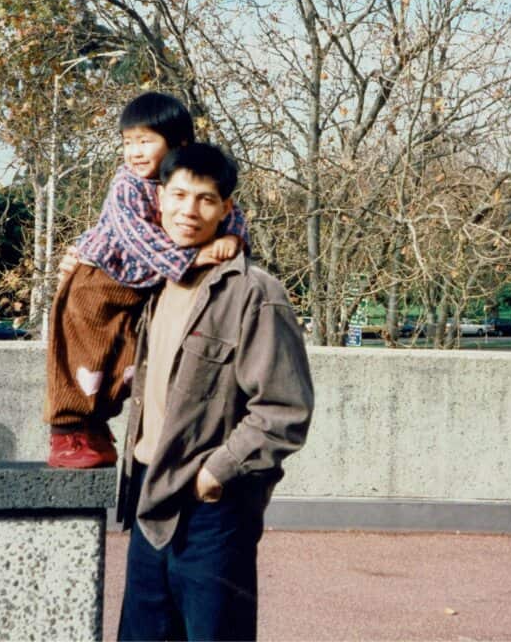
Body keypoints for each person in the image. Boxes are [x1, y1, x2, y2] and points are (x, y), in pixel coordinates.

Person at [112, 143, 313, 641]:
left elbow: (284, 408)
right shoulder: (154, 281)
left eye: (205, 199)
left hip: (211, 509)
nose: (188, 210)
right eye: (178, 195)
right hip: (147, 491)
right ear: (158, 199)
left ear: (227, 208)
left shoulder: (253, 292)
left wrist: (215, 473)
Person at [44, 92, 250, 469]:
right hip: (98, 278)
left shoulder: (184, 178)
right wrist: (193, 257)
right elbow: (139, 239)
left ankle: (94, 427)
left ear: (178, 144)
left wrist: (234, 237)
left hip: (139, 287)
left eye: (146, 141)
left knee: (125, 362)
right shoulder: (126, 185)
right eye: (128, 142)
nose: (135, 152)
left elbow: (226, 204)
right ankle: (67, 432)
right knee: (81, 354)